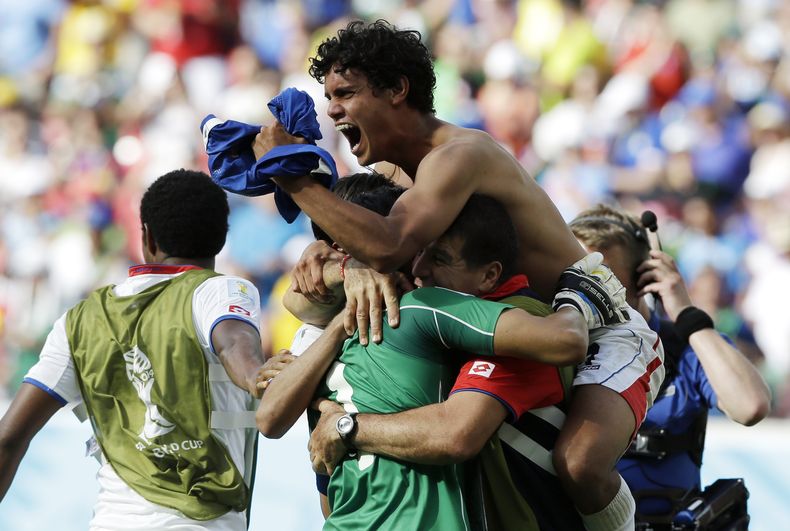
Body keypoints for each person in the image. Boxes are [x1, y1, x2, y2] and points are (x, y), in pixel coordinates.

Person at [253, 20, 663, 530]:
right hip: (503, 327)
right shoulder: (388, 180)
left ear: (397, 90)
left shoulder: (460, 155)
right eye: (329, 97)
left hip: (600, 327)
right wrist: (344, 263)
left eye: (346, 94)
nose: (332, 110)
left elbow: (388, 245)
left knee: (578, 464)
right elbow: (306, 294)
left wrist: (290, 178)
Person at [256, 193, 628, 530]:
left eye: (439, 258)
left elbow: (456, 435)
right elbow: (275, 421)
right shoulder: (362, 322)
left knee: (583, 466)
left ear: (489, 275)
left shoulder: (472, 315)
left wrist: (345, 427)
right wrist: (348, 271)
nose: (420, 269)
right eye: (418, 252)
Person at [0, 169, 268, 530]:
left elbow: (8, 438)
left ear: (147, 236)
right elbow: (234, 343)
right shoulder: (221, 292)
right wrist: (255, 375)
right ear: (222, 239)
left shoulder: (79, 320)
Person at [569, 205, 771, 528]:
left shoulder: (685, 346)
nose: (584, 292)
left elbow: (750, 406)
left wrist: (687, 316)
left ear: (644, 281)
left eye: (601, 279)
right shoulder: (561, 345)